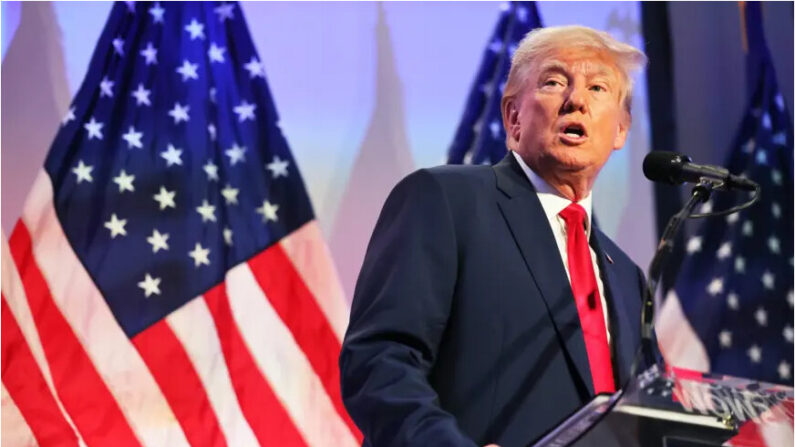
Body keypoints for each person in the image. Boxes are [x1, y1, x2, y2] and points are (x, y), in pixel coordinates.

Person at [339, 25, 655, 447]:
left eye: (598, 88)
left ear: (620, 130)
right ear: (513, 117)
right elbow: (379, 360)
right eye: (554, 82)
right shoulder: (446, 202)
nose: (576, 100)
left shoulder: (626, 278)